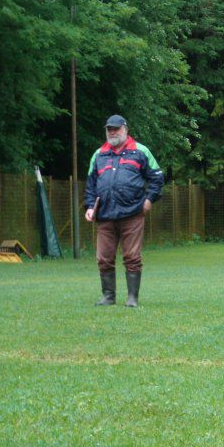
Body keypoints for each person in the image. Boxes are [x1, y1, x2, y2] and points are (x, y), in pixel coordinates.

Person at [85, 115, 164, 307]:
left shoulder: (140, 151)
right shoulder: (98, 155)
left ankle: (132, 298)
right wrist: (89, 207)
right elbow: (90, 185)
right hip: (104, 216)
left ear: (125, 129)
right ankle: (108, 297)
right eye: (109, 129)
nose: (112, 132)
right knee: (103, 258)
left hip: (132, 213)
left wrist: (149, 199)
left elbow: (157, 177)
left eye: (116, 129)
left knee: (132, 257)